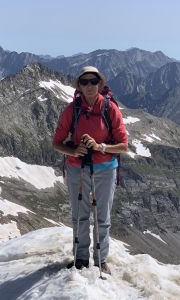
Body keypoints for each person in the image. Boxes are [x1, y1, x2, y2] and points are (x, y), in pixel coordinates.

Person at [52, 66, 128, 274]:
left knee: (102, 216)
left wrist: (100, 147)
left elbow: (123, 145)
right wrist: (74, 150)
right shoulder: (72, 110)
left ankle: (101, 259)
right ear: (79, 85)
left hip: (104, 169)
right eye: (84, 82)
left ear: (100, 84)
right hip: (78, 168)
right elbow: (56, 143)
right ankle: (81, 258)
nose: (89, 86)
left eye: (93, 81)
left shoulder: (109, 109)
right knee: (80, 215)